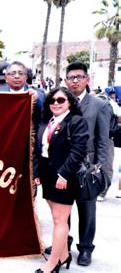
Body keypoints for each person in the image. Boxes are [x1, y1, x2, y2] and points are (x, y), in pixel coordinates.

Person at [44, 61, 111, 267]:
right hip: (63, 166)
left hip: (87, 167)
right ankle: (63, 244)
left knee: (86, 210)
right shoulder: (58, 101)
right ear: (66, 80)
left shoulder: (100, 105)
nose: (75, 81)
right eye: (71, 77)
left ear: (87, 79)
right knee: (63, 210)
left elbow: (104, 141)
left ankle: (85, 248)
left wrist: (102, 171)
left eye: (79, 77)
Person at [33, 87, 89, 273]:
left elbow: (78, 151)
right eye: (52, 100)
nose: (56, 103)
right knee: (57, 218)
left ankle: (53, 263)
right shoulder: (46, 122)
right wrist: (37, 173)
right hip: (48, 177)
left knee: (59, 220)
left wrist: (64, 174)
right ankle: (64, 255)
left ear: (70, 102)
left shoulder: (76, 121)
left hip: (64, 177)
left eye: (61, 100)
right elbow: (39, 151)